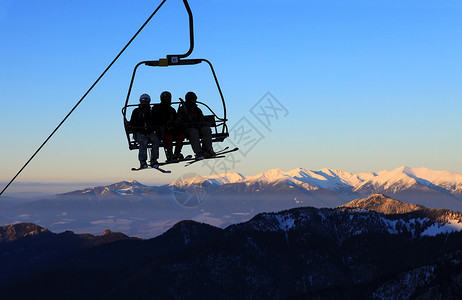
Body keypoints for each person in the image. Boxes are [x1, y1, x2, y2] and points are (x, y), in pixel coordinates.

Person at [177, 91, 214, 159]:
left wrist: (202, 123)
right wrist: (187, 124)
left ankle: (208, 149)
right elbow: (179, 121)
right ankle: (198, 152)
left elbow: (201, 118)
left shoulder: (197, 109)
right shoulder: (182, 109)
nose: (194, 101)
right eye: (192, 99)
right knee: (193, 132)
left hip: (198, 127)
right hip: (188, 129)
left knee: (206, 129)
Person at [152, 91, 185, 161]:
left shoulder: (171, 110)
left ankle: (177, 152)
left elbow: (176, 118)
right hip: (162, 129)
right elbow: (155, 119)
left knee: (181, 133)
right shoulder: (157, 108)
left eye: (168, 98)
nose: (166, 100)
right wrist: (165, 125)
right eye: (165, 98)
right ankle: (169, 152)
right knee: (168, 133)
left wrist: (174, 124)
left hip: (172, 128)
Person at [129, 93, 160, 168]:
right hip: (139, 132)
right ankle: (142, 161)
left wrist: (152, 128)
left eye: (146, 100)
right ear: (140, 101)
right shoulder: (136, 111)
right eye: (143, 100)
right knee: (143, 140)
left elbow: (155, 122)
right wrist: (138, 129)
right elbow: (133, 122)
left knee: (155, 140)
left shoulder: (152, 111)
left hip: (150, 131)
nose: (145, 102)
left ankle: (154, 159)